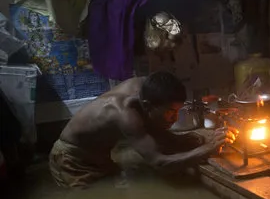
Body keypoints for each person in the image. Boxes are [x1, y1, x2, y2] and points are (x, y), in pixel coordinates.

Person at [49, 71, 237, 188]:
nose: (175, 118)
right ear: (148, 106)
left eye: (177, 111)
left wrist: (193, 139)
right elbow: (159, 163)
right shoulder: (125, 115)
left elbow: (156, 132)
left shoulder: (148, 88)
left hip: (99, 154)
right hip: (72, 160)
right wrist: (204, 149)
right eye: (170, 112)